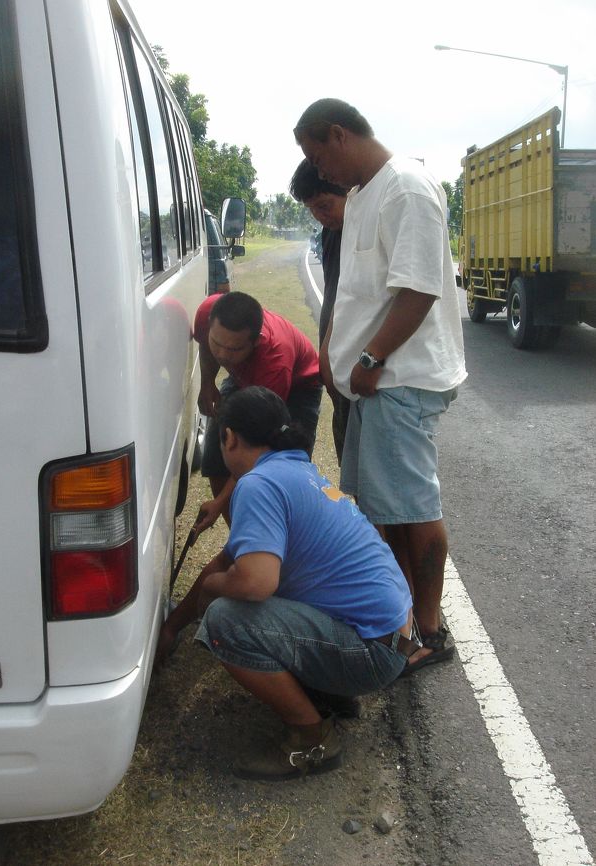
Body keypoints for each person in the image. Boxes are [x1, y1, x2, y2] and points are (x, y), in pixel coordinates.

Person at [156, 386, 416, 780]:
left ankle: (313, 739)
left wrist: (211, 592)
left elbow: (257, 582)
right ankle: (328, 693)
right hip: (391, 636)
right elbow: (228, 561)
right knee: (241, 596)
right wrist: (173, 626)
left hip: (372, 651)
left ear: (229, 437)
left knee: (227, 620)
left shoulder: (258, 484)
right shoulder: (295, 468)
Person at [294, 98, 467, 673]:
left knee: (413, 508)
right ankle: (396, 622)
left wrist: (369, 358)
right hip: (372, 385)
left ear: (339, 135)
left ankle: (432, 632)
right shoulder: (366, 195)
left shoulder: (407, 189)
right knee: (379, 510)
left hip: (400, 380)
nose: (321, 173)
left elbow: (418, 291)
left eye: (319, 158)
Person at [193, 291, 322, 535]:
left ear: (256, 341)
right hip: (244, 378)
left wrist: (218, 503)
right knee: (215, 453)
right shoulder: (209, 311)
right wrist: (207, 383)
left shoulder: (275, 360)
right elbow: (205, 345)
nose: (222, 355)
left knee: (277, 469)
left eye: (233, 350)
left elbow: (258, 451)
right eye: (216, 343)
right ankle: (242, 537)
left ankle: (279, 541)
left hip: (297, 388)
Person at [290, 158, 350, 463]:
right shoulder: (331, 232)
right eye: (312, 210)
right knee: (347, 450)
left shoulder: (358, 230)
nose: (320, 216)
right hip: (336, 364)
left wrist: (327, 349)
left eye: (325, 205)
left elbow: (349, 300)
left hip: (356, 363)